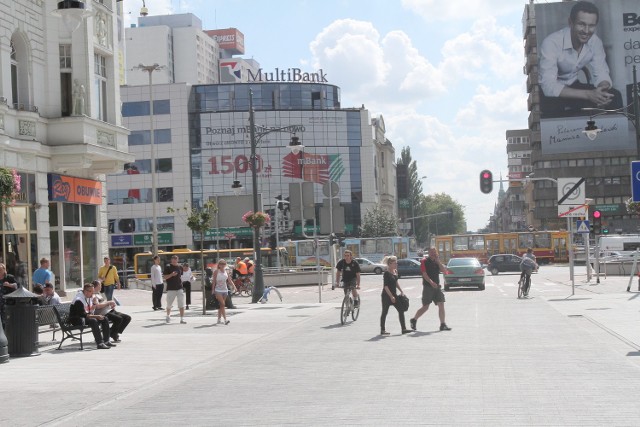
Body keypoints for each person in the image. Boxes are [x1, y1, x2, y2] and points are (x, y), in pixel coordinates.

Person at [539, 1, 622, 118]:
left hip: (573, 85)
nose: (586, 31)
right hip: (547, 92)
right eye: (581, 24)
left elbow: (601, 72)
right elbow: (548, 86)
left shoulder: (595, 42)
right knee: (554, 107)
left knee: (614, 96)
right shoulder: (551, 42)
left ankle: (613, 132)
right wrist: (588, 94)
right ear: (570, 22)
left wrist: (602, 88)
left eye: (591, 25)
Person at [409, 247, 451, 332]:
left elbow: (444, 271)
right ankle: (414, 319)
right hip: (428, 287)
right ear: (428, 253)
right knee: (425, 307)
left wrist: (438, 262)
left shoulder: (436, 262)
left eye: (434, 252)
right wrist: (431, 282)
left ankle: (443, 324)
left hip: (437, 288)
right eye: (431, 252)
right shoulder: (424, 261)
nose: (433, 254)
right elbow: (424, 274)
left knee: (441, 304)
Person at [69, 283, 114, 350]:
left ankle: (106, 341)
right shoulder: (78, 300)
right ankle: (99, 343)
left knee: (104, 318)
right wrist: (96, 316)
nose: (93, 294)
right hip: (77, 319)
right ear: (86, 291)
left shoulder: (88, 297)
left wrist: (94, 305)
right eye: (91, 292)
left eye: (93, 292)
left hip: (84, 318)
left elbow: (89, 311)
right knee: (93, 320)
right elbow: (83, 314)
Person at [380, 256, 412, 335]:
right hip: (386, 296)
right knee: (385, 312)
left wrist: (401, 291)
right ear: (390, 264)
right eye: (395, 263)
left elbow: (396, 283)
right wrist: (391, 296)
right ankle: (383, 330)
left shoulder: (395, 271)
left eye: (396, 263)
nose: (396, 264)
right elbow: (386, 286)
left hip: (394, 295)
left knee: (401, 310)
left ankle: (403, 329)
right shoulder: (386, 273)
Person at [163, 255, 186, 324]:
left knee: (181, 304)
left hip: (179, 287)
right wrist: (171, 275)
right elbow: (165, 277)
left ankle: (182, 319)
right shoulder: (168, 267)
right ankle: (168, 316)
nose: (174, 260)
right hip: (171, 288)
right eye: (173, 259)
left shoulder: (180, 267)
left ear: (177, 260)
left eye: (176, 259)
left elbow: (181, 276)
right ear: (171, 260)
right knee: (169, 304)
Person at [212, 259, 234, 325]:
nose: (222, 265)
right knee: (223, 304)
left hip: (225, 290)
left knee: (221, 305)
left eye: (224, 264)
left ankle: (219, 320)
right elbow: (214, 281)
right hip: (218, 290)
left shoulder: (226, 271)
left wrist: (234, 286)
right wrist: (213, 290)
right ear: (219, 265)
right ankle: (225, 320)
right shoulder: (216, 271)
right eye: (221, 264)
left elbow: (229, 280)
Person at [0, 263, 18, 328]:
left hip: (7, 302)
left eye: (0, 270)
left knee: (7, 320)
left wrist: (9, 285)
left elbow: (17, 286)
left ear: (4, 270)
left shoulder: (9, 277)